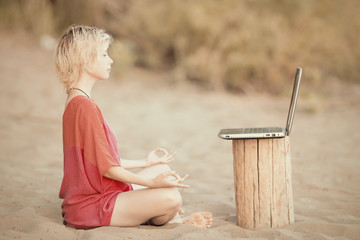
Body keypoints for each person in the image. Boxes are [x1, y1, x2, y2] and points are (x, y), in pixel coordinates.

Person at [55, 25, 212, 229]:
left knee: (160, 168)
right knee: (171, 198)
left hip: (94, 197)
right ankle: (172, 218)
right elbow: (109, 169)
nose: (110, 60)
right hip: (91, 206)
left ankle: (160, 212)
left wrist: (145, 163)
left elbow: (96, 162)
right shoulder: (84, 107)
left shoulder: (75, 100)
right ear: (84, 59)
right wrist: (152, 184)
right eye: (103, 54)